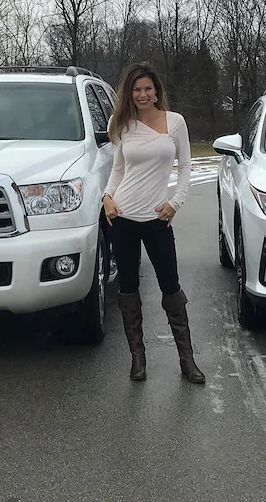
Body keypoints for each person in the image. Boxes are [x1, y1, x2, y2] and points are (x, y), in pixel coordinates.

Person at [102, 62, 205, 384]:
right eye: (136, 90)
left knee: (171, 288)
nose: (143, 94)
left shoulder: (174, 123)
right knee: (129, 289)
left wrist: (175, 203)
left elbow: (186, 166)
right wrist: (107, 197)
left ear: (156, 90)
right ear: (128, 94)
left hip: (157, 218)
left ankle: (187, 361)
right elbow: (118, 169)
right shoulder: (120, 124)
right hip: (122, 218)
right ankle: (138, 360)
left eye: (148, 88)